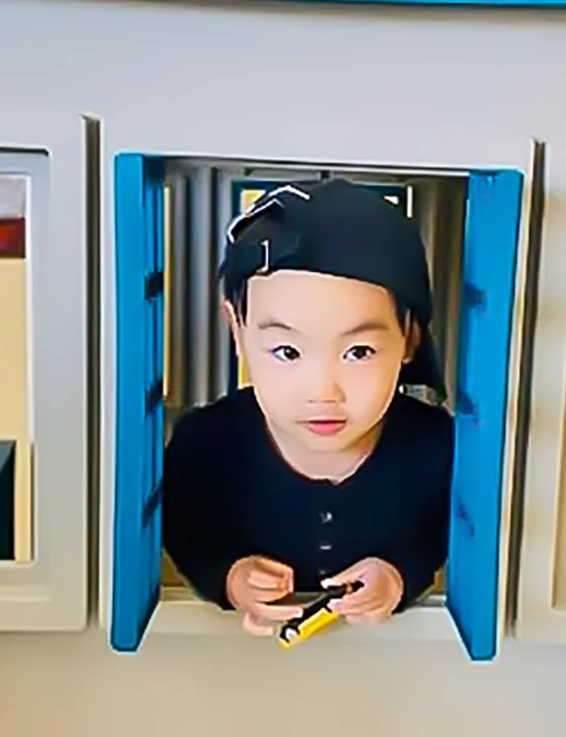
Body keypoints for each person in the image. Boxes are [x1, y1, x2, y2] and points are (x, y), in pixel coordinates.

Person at [161, 178, 454, 637]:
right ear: (237, 331)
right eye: (287, 351)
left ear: (409, 338)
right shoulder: (206, 443)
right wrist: (231, 576)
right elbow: (186, 529)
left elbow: (439, 531)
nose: (323, 391)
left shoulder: (437, 446)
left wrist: (398, 577)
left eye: (358, 352)